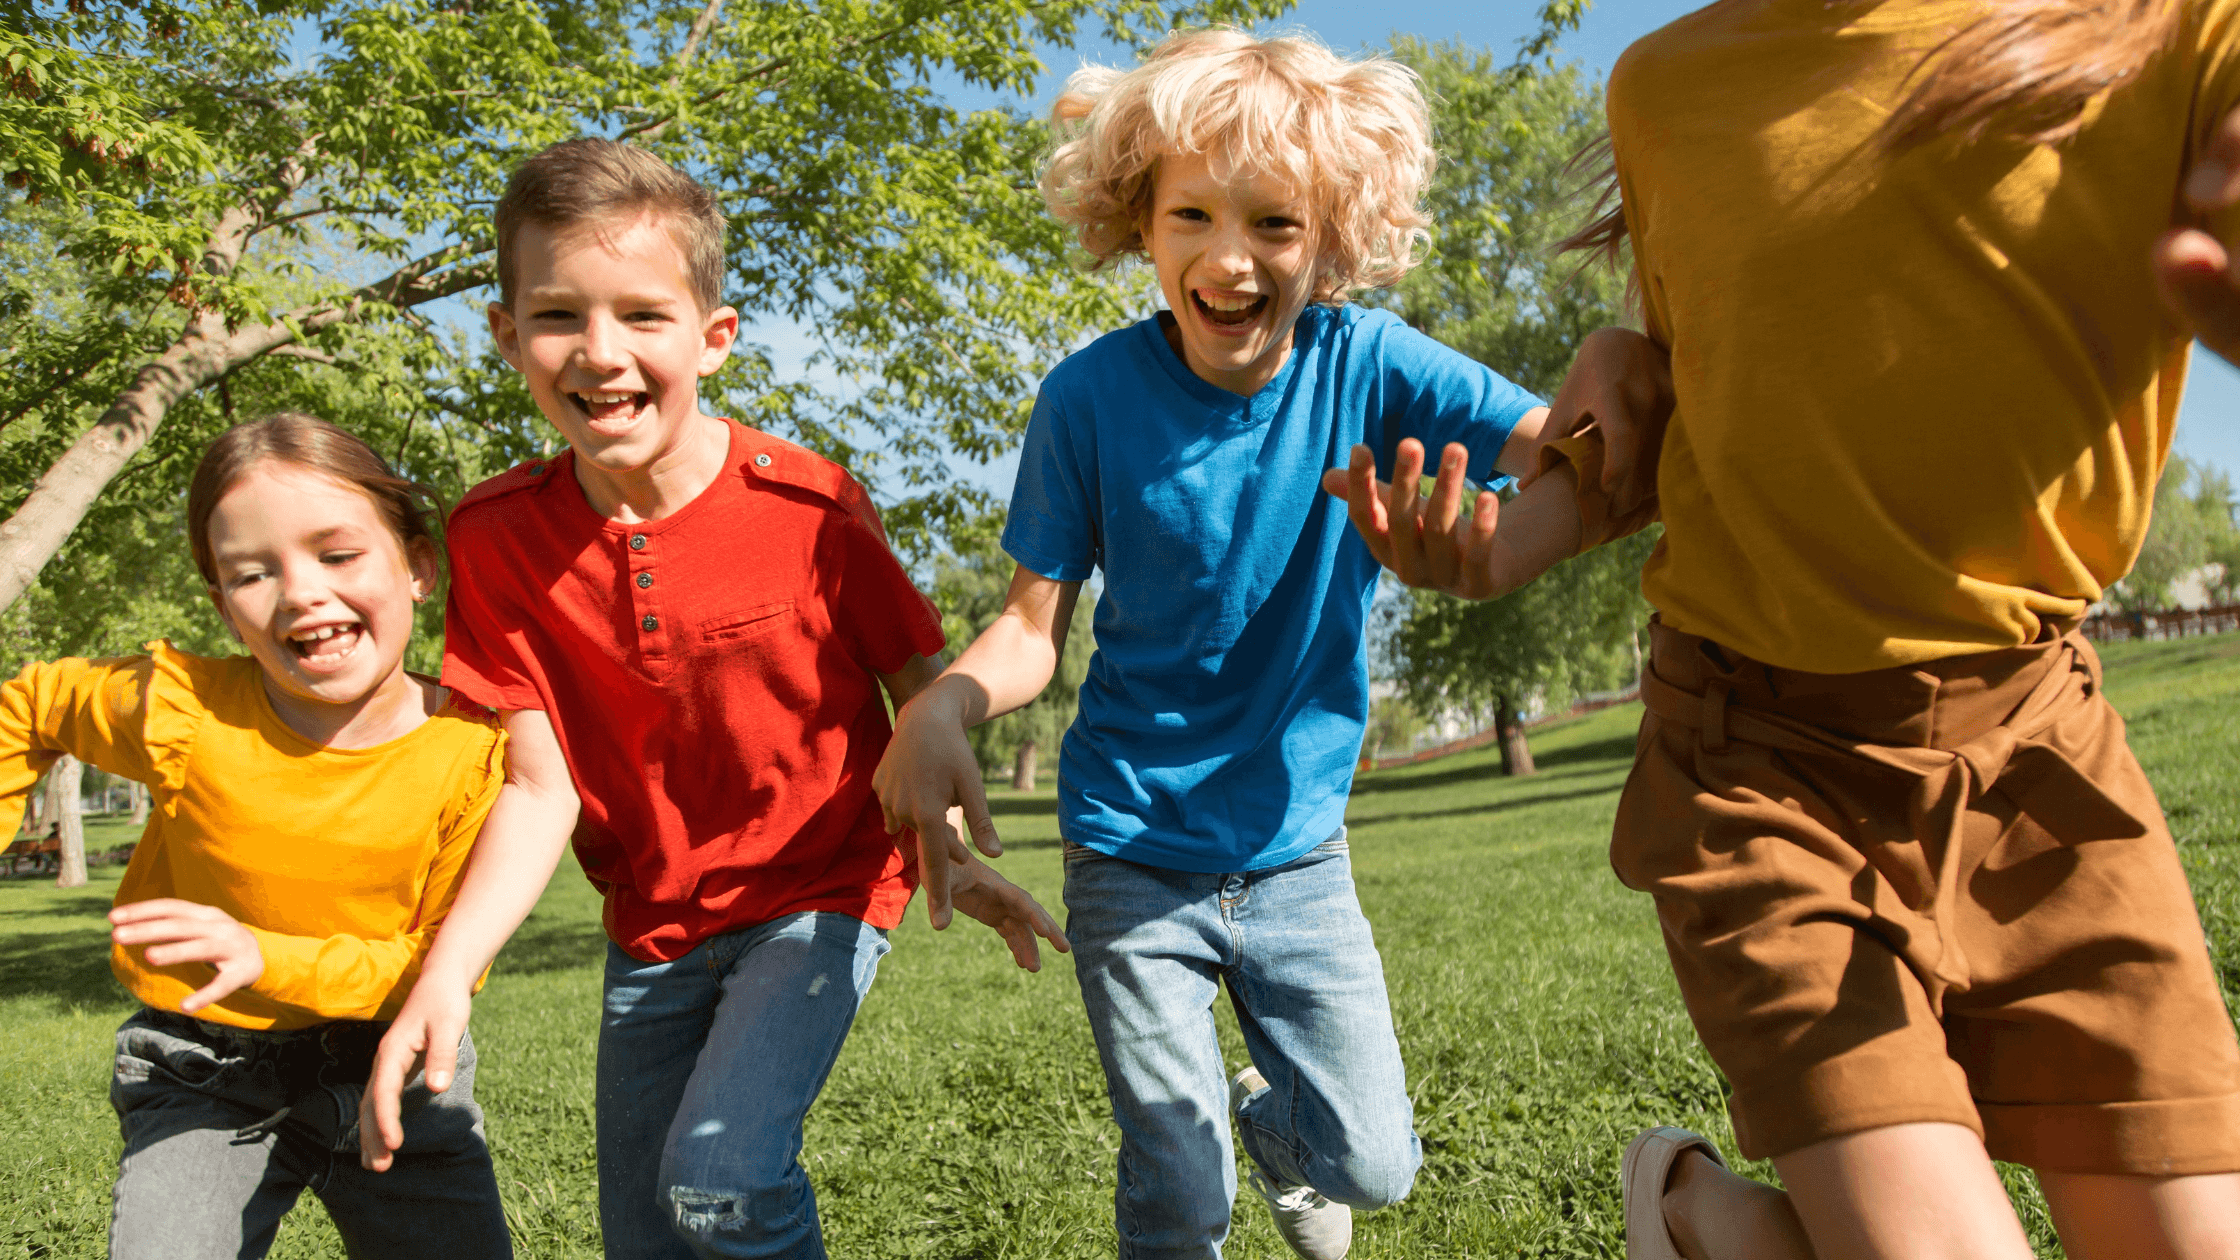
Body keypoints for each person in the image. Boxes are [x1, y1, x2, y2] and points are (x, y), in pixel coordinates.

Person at [1332, 2, 2240, 1256]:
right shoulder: (1664, 88)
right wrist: (1515, 534)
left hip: (2041, 756)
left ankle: (1719, 1230)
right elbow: (1689, 402)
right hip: (1759, 762)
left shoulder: (2172, 30)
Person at [873, 29, 1657, 1260]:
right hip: (1129, 845)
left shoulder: (1367, 362)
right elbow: (1033, 629)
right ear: (1138, 220)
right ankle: (1210, 1164)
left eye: (1275, 227)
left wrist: (1612, 404)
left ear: (1331, 241)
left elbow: (1551, 449)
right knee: (1178, 1191)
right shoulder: (1085, 401)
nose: (1228, 260)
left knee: (1374, 1168)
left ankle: (1278, 1134)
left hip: (1297, 851)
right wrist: (943, 706)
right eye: (1190, 214)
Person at [354, 137, 1067, 1260]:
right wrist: (447, 971)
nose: (600, 354)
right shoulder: (493, 537)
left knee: (720, 1183)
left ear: (713, 337)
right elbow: (535, 790)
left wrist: (943, 848)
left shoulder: (812, 508)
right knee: (648, 1241)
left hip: (817, 893)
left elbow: (919, 694)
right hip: (652, 929)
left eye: (642, 315)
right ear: (505, 336)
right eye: (556, 317)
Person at [0, 413, 514, 1259]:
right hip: (205, 1073)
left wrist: (268, 957)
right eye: (252, 573)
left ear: (419, 566)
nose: (302, 591)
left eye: (338, 554)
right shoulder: (181, 712)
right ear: (224, 606)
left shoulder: (477, 751)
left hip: (394, 1072)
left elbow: (436, 963)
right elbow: (31, 703)